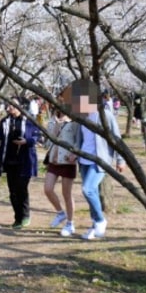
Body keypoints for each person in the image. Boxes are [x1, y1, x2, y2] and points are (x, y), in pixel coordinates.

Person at [65, 79, 126, 240]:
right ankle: (95, 224)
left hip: (100, 159)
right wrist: (75, 153)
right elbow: (80, 139)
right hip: (84, 159)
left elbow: (117, 138)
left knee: (88, 189)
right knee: (89, 192)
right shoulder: (81, 117)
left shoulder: (105, 115)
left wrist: (121, 160)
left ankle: (100, 220)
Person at [0, 97, 41, 229]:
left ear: (21, 106)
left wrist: (26, 142)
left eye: (12, 105)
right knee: (12, 191)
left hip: (25, 161)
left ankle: (25, 215)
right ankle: (17, 218)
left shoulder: (29, 120)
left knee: (21, 189)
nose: (9, 107)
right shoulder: (6, 121)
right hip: (9, 160)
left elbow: (37, 137)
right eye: (8, 105)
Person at [44, 108, 79, 237]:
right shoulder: (52, 122)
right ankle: (60, 213)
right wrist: (56, 127)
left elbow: (78, 141)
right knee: (47, 189)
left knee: (67, 194)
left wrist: (74, 153)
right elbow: (47, 143)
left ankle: (70, 223)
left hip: (67, 161)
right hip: (54, 160)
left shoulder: (74, 122)